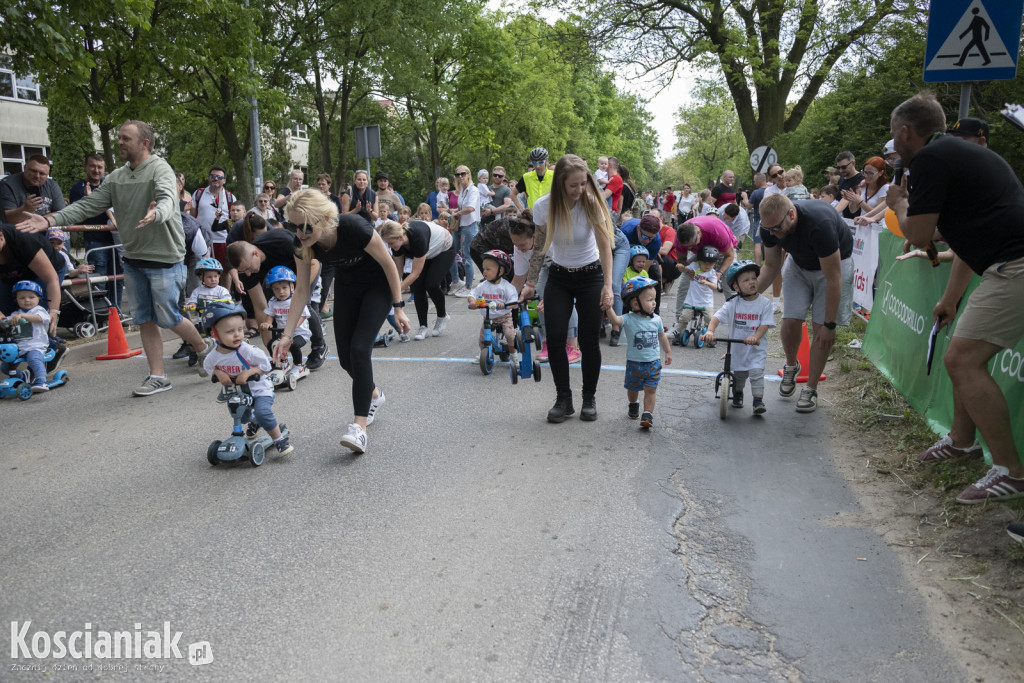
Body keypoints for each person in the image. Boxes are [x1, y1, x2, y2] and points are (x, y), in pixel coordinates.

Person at [885, 91, 1024, 504]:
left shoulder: (929, 160)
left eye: (894, 138)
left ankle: (1011, 473)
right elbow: (965, 241)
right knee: (963, 354)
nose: (894, 147)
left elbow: (918, 236)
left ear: (907, 133)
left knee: (962, 359)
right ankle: (963, 441)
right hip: (1004, 262)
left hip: (1014, 265)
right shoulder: (950, 154)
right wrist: (950, 298)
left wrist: (900, 203)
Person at [17, 120, 216, 396]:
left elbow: (168, 199)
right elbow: (87, 206)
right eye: (119, 138)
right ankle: (158, 376)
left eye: (125, 138)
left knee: (169, 316)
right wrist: (49, 220)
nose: (119, 142)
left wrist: (156, 212)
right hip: (133, 257)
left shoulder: (160, 169)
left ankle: (204, 348)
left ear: (144, 142)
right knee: (144, 317)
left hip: (164, 256)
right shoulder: (117, 177)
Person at [274, 189, 410, 454]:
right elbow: (301, 289)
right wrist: (286, 335)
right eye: (292, 226)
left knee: (360, 350)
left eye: (304, 226)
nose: (299, 233)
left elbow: (389, 264)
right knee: (347, 361)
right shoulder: (302, 243)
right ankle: (373, 394)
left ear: (324, 219)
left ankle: (359, 428)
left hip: (377, 287)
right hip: (348, 287)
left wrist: (398, 307)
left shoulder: (354, 227)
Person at [521, 154, 614, 423]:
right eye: (573, 185)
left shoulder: (591, 204)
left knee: (588, 340)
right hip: (559, 276)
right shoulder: (543, 206)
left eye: (583, 184)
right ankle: (564, 398)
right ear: (560, 182)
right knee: (557, 338)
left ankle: (589, 397)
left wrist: (607, 285)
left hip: (590, 276)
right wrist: (530, 283)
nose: (579, 190)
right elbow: (539, 247)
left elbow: (605, 246)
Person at [756, 193, 853, 413]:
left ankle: (811, 387)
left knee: (821, 330)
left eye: (776, 229)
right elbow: (771, 267)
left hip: (833, 269)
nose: (772, 233)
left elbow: (833, 279)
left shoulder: (820, 225)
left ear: (791, 214)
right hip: (798, 264)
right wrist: (747, 296)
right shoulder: (769, 225)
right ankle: (792, 365)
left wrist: (829, 324)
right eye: (768, 229)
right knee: (790, 321)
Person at [226, 227, 329, 370]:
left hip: (306, 268)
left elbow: (314, 264)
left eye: (248, 268)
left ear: (255, 254)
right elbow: (261, 308)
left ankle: (319, 346)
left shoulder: (282, 241)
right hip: (277, 280)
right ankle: (280, 356)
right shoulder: (247, 271)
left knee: (303, 306)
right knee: (275, 308)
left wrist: (298, 296)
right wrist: (272, 351)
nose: (248, 274)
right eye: (244, 271)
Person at [201, 302, 293, 456]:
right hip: (238, 394)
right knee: (240, 416)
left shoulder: (248, 350)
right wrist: (218, 373)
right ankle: (255, 420)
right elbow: (207, 368)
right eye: (230, 331)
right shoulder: (213, 357)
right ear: (214, 333)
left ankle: (279, 440)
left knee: (263, 412)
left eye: (240, 329)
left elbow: (266, 365)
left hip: (260, 391)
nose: (237, 334)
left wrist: (249, 372)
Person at [703, 260, 775, 415]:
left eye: (753, 278)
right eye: (746, 280)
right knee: (739, 374)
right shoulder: (732, 303)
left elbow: (765, 324)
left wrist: (755, 336)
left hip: (756, 348)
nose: (752, 282)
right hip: (737, 347)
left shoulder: (765, 304)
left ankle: (757, 401)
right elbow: (717, 317)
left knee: (756, 374)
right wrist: (710, 331)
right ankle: (738, 394)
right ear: (736, 287)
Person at [604, 276, 671, 429]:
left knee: (651, 389)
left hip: (653, 363)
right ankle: (633, 403)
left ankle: (648, 414)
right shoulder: (628, 318)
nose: (654, 303)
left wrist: (668, 352)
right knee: (632, 389)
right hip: (634, 363)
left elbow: (662, 336)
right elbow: (615, 320)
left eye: (654, 299)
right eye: (650, 300)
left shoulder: (656, 320)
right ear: (635, 303)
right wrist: (608, 308)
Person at [380, 219, 456, 340]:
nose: (389, 246)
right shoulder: (397, 245)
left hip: (444, 249)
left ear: (400, 237)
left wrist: (396, 292)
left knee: (431, 284)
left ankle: (442, 316)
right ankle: (423, 326)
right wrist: (393, 287)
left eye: (390, 243)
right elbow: (398, 272)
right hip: (428, 251)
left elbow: (415, 273)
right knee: (417, 286)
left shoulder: (418, 237)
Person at [71, 154, 121, 307]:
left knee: (117, 278)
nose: (96, 170)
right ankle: (101, 314)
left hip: (115, 240)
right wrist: (89, 200)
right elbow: (78, 215)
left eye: (100, 167)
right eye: (92, 166)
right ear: (85, 167)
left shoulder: (108, 185)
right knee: (99, 279)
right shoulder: (78, 189)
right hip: (96, 241)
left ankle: (116, 314)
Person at [467, 250, 519, 363]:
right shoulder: (482, 286)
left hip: (504, 317)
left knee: (510, 335)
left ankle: (514, 356)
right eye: (483, 268)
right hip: (488, 318)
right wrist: (472, 302)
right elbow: (472, 294)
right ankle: (483, 354)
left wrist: (505, 305)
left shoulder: (506, 286)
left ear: (501, 270)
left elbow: (514, 300)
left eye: (488, 269)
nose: (484, 271)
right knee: (482, 339)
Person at [0, 281, 52, 392]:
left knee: (34, 359)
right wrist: (4, 323)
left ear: (38, 298)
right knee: (5, 366)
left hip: (36, 345)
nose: (27, 300)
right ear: (17, 300)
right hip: (19, 348)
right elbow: (6, 325)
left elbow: (40, 318)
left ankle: (41, 381)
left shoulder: (39, 311)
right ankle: (22, 378)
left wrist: (23, 316)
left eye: (31, 297)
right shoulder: (15, 314)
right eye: (22, 298)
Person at [261, 266, 310, 371]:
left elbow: (303, 316)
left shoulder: (296, 300)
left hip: (300, 333)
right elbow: (269, 316)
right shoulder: (273, 302)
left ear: (292, 287)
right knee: (272, 344)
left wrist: (291, 327)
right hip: (282, 334)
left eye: (284, 288)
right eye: (276, 289)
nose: (281, 292)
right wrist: (267, 323)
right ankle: (284, 363)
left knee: (293, 345)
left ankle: (298, 365)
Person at [191, 166, 236, 274]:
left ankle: (225, 291)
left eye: (219, 177)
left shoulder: (230, 197)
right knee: (204, 272)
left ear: (224, 180)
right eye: (213, 176)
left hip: (222, 240)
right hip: (202, 241)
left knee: (225, 271)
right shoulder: (198, 194)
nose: (216, 179)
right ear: (209, 178)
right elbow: (192, 217)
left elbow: (233, 219)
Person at [671, 245, 719, 342]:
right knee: (684, 317)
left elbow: (715, 286)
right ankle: (679, 332)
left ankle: (710, 334)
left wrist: (708, 283)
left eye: (711, 264)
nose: (707, 266)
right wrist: (681, 267)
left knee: (710, 318)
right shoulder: (694, 266)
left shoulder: (712, 273)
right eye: (705, 263)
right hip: (691, 300)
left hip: (706, 302)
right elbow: (685, 269)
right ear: (699, 261)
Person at [0, 154, 66, 225]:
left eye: (42, 173)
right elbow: (8, 220)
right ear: (25, 168)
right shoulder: (8, 185)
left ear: (47, 175)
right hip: (20, 230)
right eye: (33, 171)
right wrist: (25, 208)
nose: (37, 176)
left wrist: (39, 222)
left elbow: (61, 214)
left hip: (47, 227)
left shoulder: (52, 185)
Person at [449, 165, 481, 297]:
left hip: (470, 225)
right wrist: (455, 212)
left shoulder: (473, 190)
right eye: (457, 175)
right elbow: (463, 208)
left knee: (467, 257)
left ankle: (468, 287)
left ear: (468, 174)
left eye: (463, 174)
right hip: (460, 225)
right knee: (450, 252)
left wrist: (456, 213)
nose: (460, 177)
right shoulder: (462, 190)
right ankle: (456, 281)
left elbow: (470, 208)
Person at [512, 148, 554, 214]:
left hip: (551, 216)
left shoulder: (554, 176)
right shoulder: (526, 177)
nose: (537, 166)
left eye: (540, 162)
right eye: (534, 162)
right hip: (533, 217)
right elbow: (513, 194)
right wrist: (523, 211)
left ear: (546, 161)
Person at [834, 151, 864, 220]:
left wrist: (832, 213)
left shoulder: (860, 180)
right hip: (843, 219)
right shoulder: (841, 179)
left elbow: (846, 199)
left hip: (855, 221)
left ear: (853, 163)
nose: (841, 170)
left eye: (844, 167)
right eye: (838, 168)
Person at [749, 172, 767, 266]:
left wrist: (744, 197)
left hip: (758, 220)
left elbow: (749, 206)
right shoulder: (772, 190)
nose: (754, 183)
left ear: (759, 180)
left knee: (757, 243)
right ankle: (770, 264)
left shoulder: (756, 192)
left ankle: (757, 265)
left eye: (755, 181)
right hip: (772, 220)